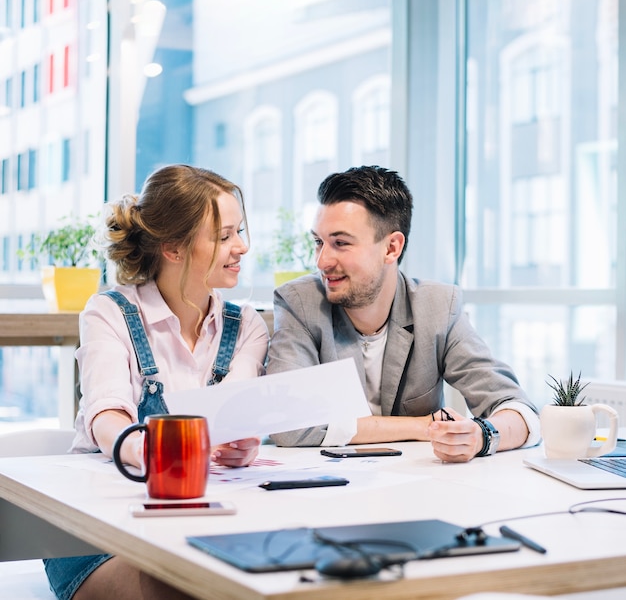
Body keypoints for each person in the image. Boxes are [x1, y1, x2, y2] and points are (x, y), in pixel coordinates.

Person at [44, 164, 269, 600]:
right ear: (173, 248)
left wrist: (240, 441)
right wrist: (147, 450)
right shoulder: (109, 312)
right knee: (180, 583)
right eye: (224, 237)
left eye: (240, 232)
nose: (241, 247)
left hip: (201, 520)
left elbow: (232, 414)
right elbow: (107, 414)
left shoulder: (247, 327)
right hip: (97, 532)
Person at [267, 165, 540, 462]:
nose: (321, 261)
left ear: (391, 247)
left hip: (418, 485)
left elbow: (520, 411)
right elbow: (287, 424)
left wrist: (480, 436)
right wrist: (422, 426)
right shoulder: (299, 303)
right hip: (325, 487)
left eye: (340, 243)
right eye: (319, 242)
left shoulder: (438, 307)